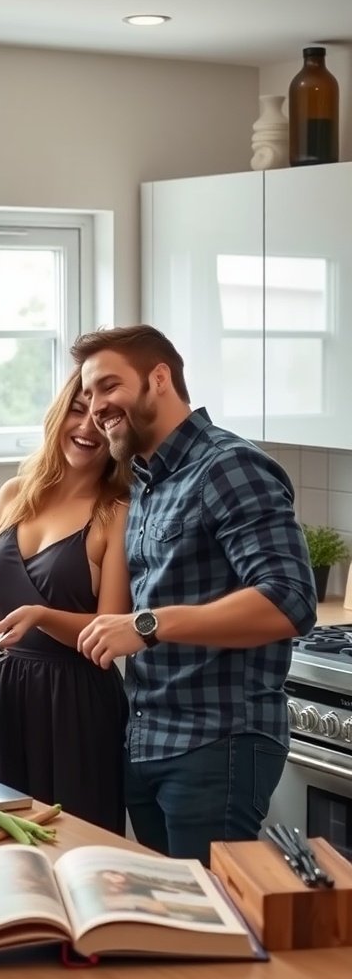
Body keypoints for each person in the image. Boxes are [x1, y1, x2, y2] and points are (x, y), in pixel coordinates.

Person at [71, 324, 317, 865]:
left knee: (215, 933)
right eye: (89, 396)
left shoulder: (228, 466)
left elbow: (290, 599)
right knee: (176, 924)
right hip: (150, 740)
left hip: (218, 742)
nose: (96, 409)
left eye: (109, 387)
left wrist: (146, 625)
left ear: (158, 378)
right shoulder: (146, 479)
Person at [0, 369, 132, 833]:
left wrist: (42, 616)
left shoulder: (117, 510)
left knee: (78, 846)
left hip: (76, 703)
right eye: (77, 412)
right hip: (1, 694)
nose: (86, 429)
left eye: (102, 421)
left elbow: (112, 626)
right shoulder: (14, 494)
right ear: (58, 414)